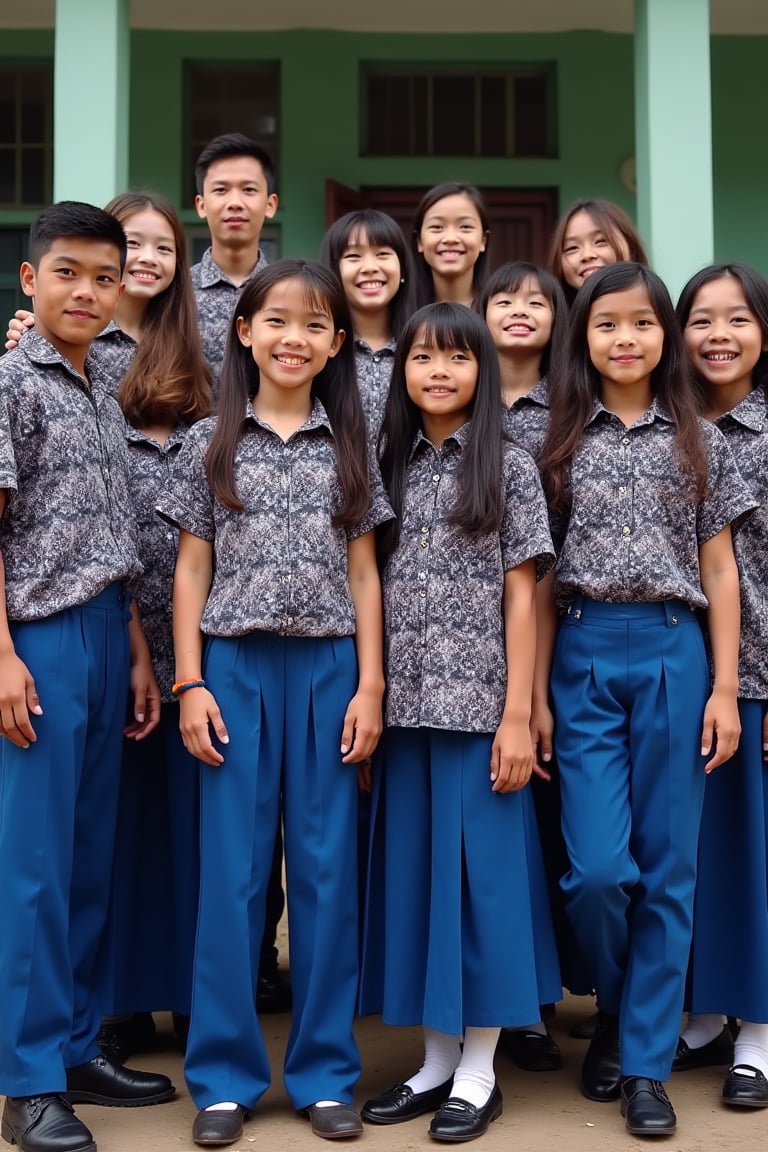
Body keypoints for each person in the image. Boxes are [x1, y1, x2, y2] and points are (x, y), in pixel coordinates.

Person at [157, 259, 391, 1146]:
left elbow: (366, 574)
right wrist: (190, 681)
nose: (295, 338)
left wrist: (371, 684)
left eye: (315, 325)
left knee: (327, 879)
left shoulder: (353, 447)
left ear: (336, 343)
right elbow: (190, 569)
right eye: (278, 321)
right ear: (245, 331)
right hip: (235, 670)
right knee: (233, 880)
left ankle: (326, 1071)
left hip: (332, 670)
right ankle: (222, 1077)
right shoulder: (207, 447)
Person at [536, 261, 755, 1137]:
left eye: (641, 324)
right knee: (598, 871)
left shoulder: (700, 436)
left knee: (670, 871)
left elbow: (721, 572)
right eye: (605, 325)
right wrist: (537, 695)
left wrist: (728, 688)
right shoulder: (555, 441)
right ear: (583, 339)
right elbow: (537, 578)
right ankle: (626, 1013)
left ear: (664, 337)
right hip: (583, 649)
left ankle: (643, 1062)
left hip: (676, 650)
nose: (625, 340)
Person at [360, 302, 560, 1143]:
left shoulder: (509, 466)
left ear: (482, 373)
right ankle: (436, 1060)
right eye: (422, 358)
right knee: (418, 883)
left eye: (457, 358)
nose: (439, 371)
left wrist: (519, 713)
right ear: (400, 370)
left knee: (484, 890)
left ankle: (480, 1070)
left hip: (482, 711)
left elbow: (526, 595)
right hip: (402, 712)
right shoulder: (381, 465)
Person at [0, 202, 174, 1152]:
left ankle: (74, 1049)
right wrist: (2, 659)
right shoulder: (10, 385)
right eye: (67, 272)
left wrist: (142, 656)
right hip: (40, 641)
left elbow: (115, 540)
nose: (86, 291)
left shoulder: (104, 384)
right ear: (31, 280)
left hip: (113, 637)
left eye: (103, 278)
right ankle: (26, 1084)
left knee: (88, 861)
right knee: (33, 871)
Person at [94, 192, 213, 1061]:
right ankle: (116, 1000)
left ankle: (192, 994)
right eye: (129, 244)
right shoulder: (65, 351)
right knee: (116, 816)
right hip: (107, 602)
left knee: (193, 817)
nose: (145, 258)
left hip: (193, 610)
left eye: (160, 246)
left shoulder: (198, 354)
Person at [479, 262, 590, 1072]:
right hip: (451, 650)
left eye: (537, 302)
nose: (520, 314)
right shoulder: (451, 400)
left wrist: (538, 683)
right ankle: (503, 1002)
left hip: (555, 633)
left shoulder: (576, 410)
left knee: (550, 828)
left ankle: (539, 1003)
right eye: (504, 302)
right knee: (494, 832)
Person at [673, 263, 768, 1108]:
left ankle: (760, 1033)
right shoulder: (673, 431)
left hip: (761, 674)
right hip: (685, 674)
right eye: (701, 320)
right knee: (699, 851)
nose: (718, 336)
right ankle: (706, 1010)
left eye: (736, 319)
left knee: (756, 852)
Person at [191, 132, 278, 389]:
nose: (235, 203)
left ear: (270, 205)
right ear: (201, 205)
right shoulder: (175, 293)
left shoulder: (287, 292)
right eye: (221, 190)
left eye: (249, 190)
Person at [320, 208, 413, 448]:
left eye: (382, 254)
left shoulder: (423, 348)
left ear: (402, 267)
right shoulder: (318, 350)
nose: (370, 267)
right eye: (353, 256)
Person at [548, 199, 648, 303]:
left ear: (631, 245)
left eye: (601, 241)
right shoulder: (552, 317)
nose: (587, 255)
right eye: (572, 248)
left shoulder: (657, 311)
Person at [412, 183, 489, 309]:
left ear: (483, 241)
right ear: (419, 241)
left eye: (465, 227)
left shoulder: (498, 313)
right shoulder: (400, 312)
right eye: (437, 227)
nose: (450, 239)